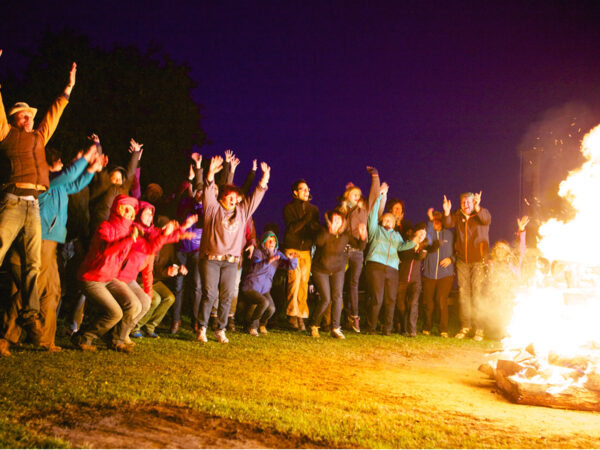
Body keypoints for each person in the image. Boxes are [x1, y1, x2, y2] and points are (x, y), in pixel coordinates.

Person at [0, 52, 76, 346]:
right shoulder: (7, 135)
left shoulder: (39, 137)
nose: (30, 117)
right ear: (14, 120)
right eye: (24, 115)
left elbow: (53, 115)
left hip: (32, 203)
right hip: (12, 200)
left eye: (31, 115)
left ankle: (30, 312)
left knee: (33, 263)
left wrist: (67, 90)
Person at [196, 156, 270, 344]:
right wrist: (210, 173)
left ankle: (220, 329)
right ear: (222, 197)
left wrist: (263, 181)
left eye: (235, 197)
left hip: (231, 261)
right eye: (229, 196)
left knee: (227, 295)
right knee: (210, 294)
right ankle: (202, 328)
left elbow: (254, 198)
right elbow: (208, 192)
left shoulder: (242, 213)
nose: (233, 199)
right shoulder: (212, 209)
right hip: (211, 259)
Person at [71, 195, 142, 353]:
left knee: (135, 305)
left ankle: (117, 339)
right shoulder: (106, 227)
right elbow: (107, 250)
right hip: (92, 277)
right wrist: (129, 240)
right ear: (117, 208)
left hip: (109, 278)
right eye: (126, 208)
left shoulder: (130, 231)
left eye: (132, 210)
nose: (130, 213)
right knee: (114, 313)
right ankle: (84, 337)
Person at [364, 180, 421, 334]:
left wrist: (414, 241)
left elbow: (402, 247)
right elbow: (372, 215)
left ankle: (387, 328)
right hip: (376, 265)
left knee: (390, 299)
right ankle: (371, 327)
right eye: (386, 219)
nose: (389, 221)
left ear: (395, 224)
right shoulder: (375, 230)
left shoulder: (396, 236)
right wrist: (380, 196)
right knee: (377, 298)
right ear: (382, 221)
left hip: (392, 268)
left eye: (392, 220)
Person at [310, 210, 367, 339]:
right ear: (329, 221)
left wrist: (363, 236)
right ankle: (314, 325)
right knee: (326, 299)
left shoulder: (345, 235)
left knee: (338, 297)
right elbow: (318, 242)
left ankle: (335, 328)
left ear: (343, 222)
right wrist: (329, 231)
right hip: (321, 269)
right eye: (334, 220)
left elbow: (359, 246)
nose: (337, 222)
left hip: (337, 269)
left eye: (339, 220)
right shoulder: (323, 231)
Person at [443, 191, 491, 341]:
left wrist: (478, 208)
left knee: (477, 294)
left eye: (469, 202)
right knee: (464, 294)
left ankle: (479, 329)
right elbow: (447, 224)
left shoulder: (481, 214)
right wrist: (446, 211)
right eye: (464, 202)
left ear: (474, 202)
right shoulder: (458, 216)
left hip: (478, 260)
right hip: (462, 261)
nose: (466, 204)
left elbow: (486, 220)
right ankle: (466, 326)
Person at [240, 231, 297, 336]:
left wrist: (292, 258)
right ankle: (252, 326)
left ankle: (262, 324)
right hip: (251, 286)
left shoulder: (277, 254)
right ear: (264, 242)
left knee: (271, 308)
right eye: (269, 241)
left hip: (264, 289)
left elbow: (289, 266)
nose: (272, 243)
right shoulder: (258, 252)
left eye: (274, 241)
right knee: (264, 302)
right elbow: (255, 268)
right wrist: (268, 261)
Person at [282, 179, 320, 331]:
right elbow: (292, 229)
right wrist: (305, 220)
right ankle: (292, 314)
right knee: (294, 282)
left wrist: (314, 227)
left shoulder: (314, 210)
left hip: (306, 250)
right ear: (295, 192)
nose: (306, 191)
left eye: (307, 188)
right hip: (293, 248)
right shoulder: (289, 208)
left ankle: (301, 315)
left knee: (304, 283)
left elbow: (314, 228)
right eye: (302, 189)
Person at [421, 209, 455, 338]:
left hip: (445, 274)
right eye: (434, 219)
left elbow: (457, 252)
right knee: (428, 302)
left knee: (441, 300)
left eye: (438, 219)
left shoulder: (449, 235)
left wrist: (451, 259)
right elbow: (427, 242)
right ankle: (427, 327)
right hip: (429, 273)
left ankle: (443, 329)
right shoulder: (429, 234)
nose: (436, 221)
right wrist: (430, 222)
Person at [393, 222, 427, 337]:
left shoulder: (424, 248)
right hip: (402, 279)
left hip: (415, 281)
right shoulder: (406, 244)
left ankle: (412, 330)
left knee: (413, 304)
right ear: (415, 232)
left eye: (424, 233)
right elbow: (401, 254)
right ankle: (402, 328)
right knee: (401, 305)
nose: (422, 235)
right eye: (420, 232)